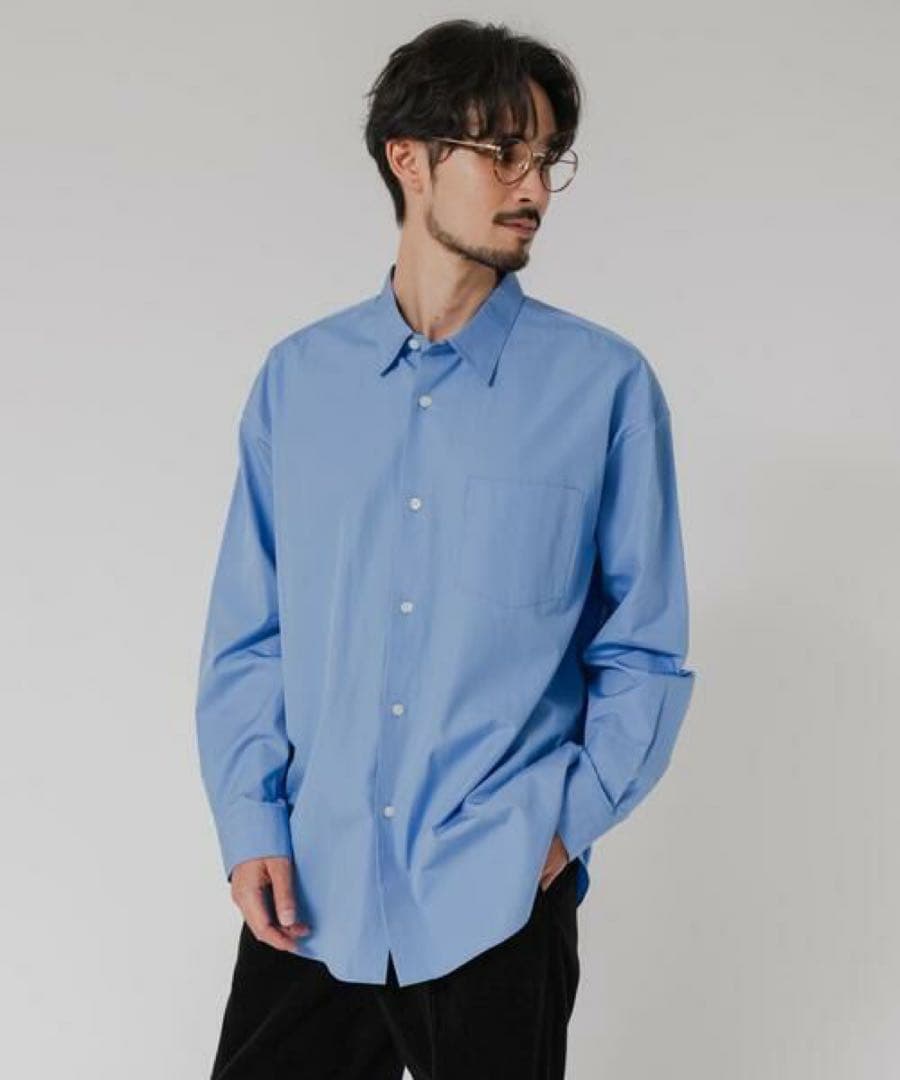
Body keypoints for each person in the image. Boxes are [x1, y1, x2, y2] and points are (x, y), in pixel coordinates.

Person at [194, 17, 696, 1080]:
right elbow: (252, 635)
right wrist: (250, 823)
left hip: (496, 898)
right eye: (503, 152)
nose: (534, 186)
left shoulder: (603, 388)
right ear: (409, 158)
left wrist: (554, 829)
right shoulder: (299, 383)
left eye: (548, 158)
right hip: (310, 893)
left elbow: (644, 650)